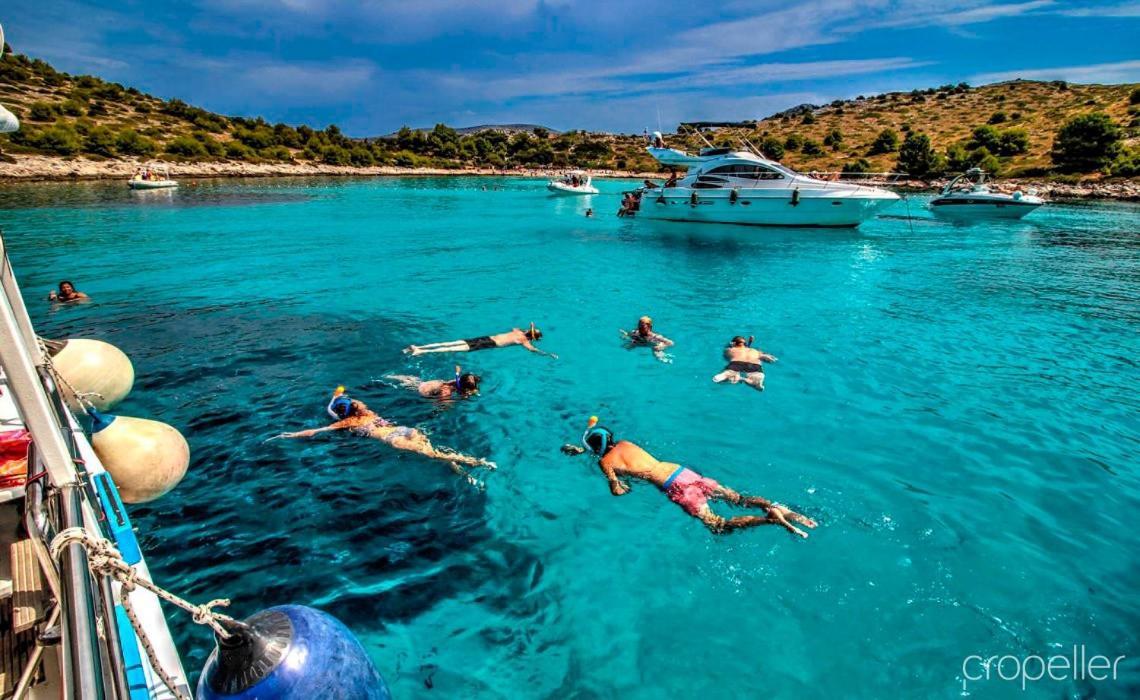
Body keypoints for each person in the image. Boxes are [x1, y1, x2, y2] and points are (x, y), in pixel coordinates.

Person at [562, 417, 816, 536]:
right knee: (738, 498)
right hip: (681, 471)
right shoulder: (626, 443)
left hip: (675, 488)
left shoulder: (605, 462)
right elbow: (607, 448)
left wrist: (618, 485)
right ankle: (772, 505)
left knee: (718, 525)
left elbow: (616, 487)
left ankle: (769, 520)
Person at [272, 387, 495, 486]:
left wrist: (289, 434)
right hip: (403, 431)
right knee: (434, 452)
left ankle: (477, 463)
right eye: (354, 403)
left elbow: (319, 427)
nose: (358, 403)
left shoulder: (354, 418)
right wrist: (287, 435)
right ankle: (467, 473)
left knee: (434, 454)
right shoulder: (360, 414)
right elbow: (322, 423)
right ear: (352, 407)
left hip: (395, 438)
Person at [404, 322, 556, 358]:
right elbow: (533, 350)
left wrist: (529, 328)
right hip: (488, 343)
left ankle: (418, 347)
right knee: (452, 348)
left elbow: (514, 327)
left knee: (451, 343)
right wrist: (548, 354)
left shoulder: (519, 333)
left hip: (487, 338)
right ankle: (419, 351)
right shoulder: (524, 341)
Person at [387, 365, 480, 400]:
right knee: (408, 384)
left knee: (407, 380)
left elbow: (457, 372)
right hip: (423, 390)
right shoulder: (447, 390)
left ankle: (388, 376)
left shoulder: (457, 380)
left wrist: (458, 370)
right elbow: (441, 402)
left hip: (429, 383)